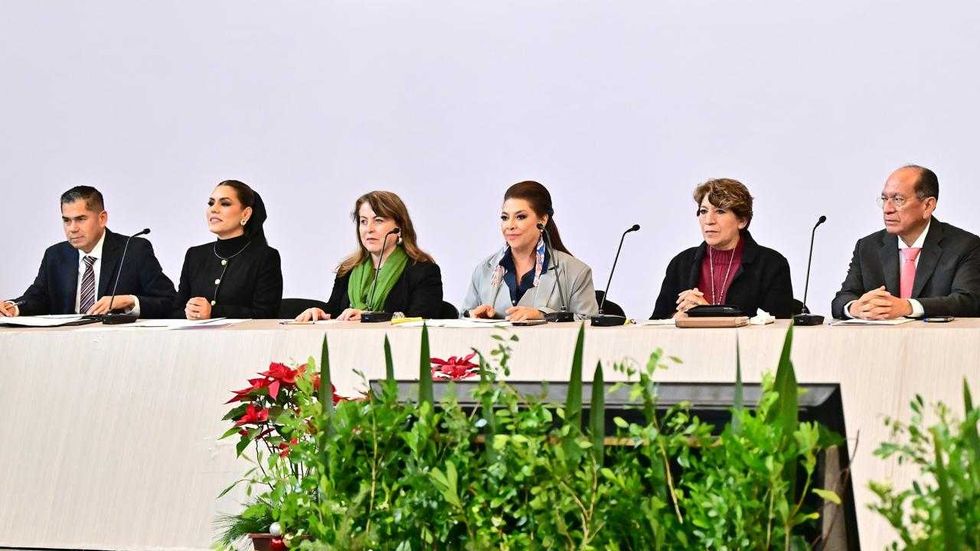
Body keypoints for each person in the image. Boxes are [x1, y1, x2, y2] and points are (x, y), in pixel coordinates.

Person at [1, 186, 176, 318]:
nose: (72, 229)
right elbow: (37, 298)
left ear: (102, 218)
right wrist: (13, 307)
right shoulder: (55, 255)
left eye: (81, 219)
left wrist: (130, 301)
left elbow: (169, 301)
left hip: (117, 345)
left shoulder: (133, 250)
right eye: (66, 221)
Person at [831, 165, 980, 319]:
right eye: (884, 199)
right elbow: (842, 299)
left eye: (898, 199)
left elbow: (969, 301)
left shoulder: (964, 246)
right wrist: (855, 308)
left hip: (939, 341)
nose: (887, 209)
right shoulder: (868, 247)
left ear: (927, 205)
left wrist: (908, 307)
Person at [651, 178, 794, 319]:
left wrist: (706, 313)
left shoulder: (772, 264)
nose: (709, 220)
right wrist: (676, 318)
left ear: (742, 221)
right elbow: (656, 322)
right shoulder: (681, 263)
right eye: (703, 211)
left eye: (720, 211)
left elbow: (778, 328)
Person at [294, 191, 443, 321]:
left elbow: (420, 322)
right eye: (363, 221)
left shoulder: (423, 271)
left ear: (400, 228)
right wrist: (319, 314)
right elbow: (334, 315)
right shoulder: (347, 270)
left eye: (378, 221)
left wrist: (370, 316)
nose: (369, 229)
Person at [462, 180, 599, 321]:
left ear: (543, 220)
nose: (510, 225)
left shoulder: (576, 271)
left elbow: (590, 323)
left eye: (520, 217)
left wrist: (543, 315)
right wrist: (473, 316)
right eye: (505, 217)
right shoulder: (484, 270)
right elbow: (463, 316)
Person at [174, 180, 283, 320]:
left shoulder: (265, 257)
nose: (214, 209)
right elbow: (175, 310)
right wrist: (189, 311)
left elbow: (267, 314)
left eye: (225, 203)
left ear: (245, 214)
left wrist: (214, 312)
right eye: (211, 203)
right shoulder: (195, 255)